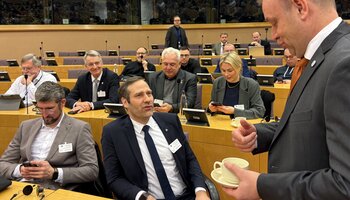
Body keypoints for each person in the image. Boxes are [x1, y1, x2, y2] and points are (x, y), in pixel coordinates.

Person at [224, 0, 350, 200]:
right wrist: (259, 134)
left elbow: (345, 184)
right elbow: (309, 123)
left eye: (274, 23)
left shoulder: (343, 63)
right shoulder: (315, 59)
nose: (273, 35)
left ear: (301, 7)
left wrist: (262, 186)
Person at [101, 76, 209, 200]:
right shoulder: (113, 133)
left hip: (186, 196)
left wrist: (200, 191)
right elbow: (114, 178)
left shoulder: (170, 121)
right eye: (139, 95)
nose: (147, 99)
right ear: (125, 102)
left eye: (149, 93)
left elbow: (190, 159)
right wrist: (141, 196)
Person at [0, 82, 98, 190]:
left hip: (56, 189)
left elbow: (91, 170)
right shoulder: (26, 126)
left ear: (62, 103)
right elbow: (3, 164)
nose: (44, 114)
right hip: (24, 186)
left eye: (50, 108)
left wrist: (54, 173)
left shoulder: (79, 128)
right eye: (40, 108)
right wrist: (20, 170)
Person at [208, 52, 265, 119]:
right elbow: (212, 106)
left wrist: (235, 111)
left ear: (238, 68)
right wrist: (211, 108)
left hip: (242, 125)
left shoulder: (251, 84)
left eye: (230, 70)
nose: (226, 74)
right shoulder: (218, 82)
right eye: (223, 70)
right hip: (221, 123)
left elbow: (259, 111)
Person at [148, 47, 197, 113]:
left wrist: (172, 108)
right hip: (156, 114)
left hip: (177, 115)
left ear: (179, 64)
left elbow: (189, 103)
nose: (168, 68)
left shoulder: (190, 78)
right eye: (165, 64)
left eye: (172, 64)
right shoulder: (153, 77)